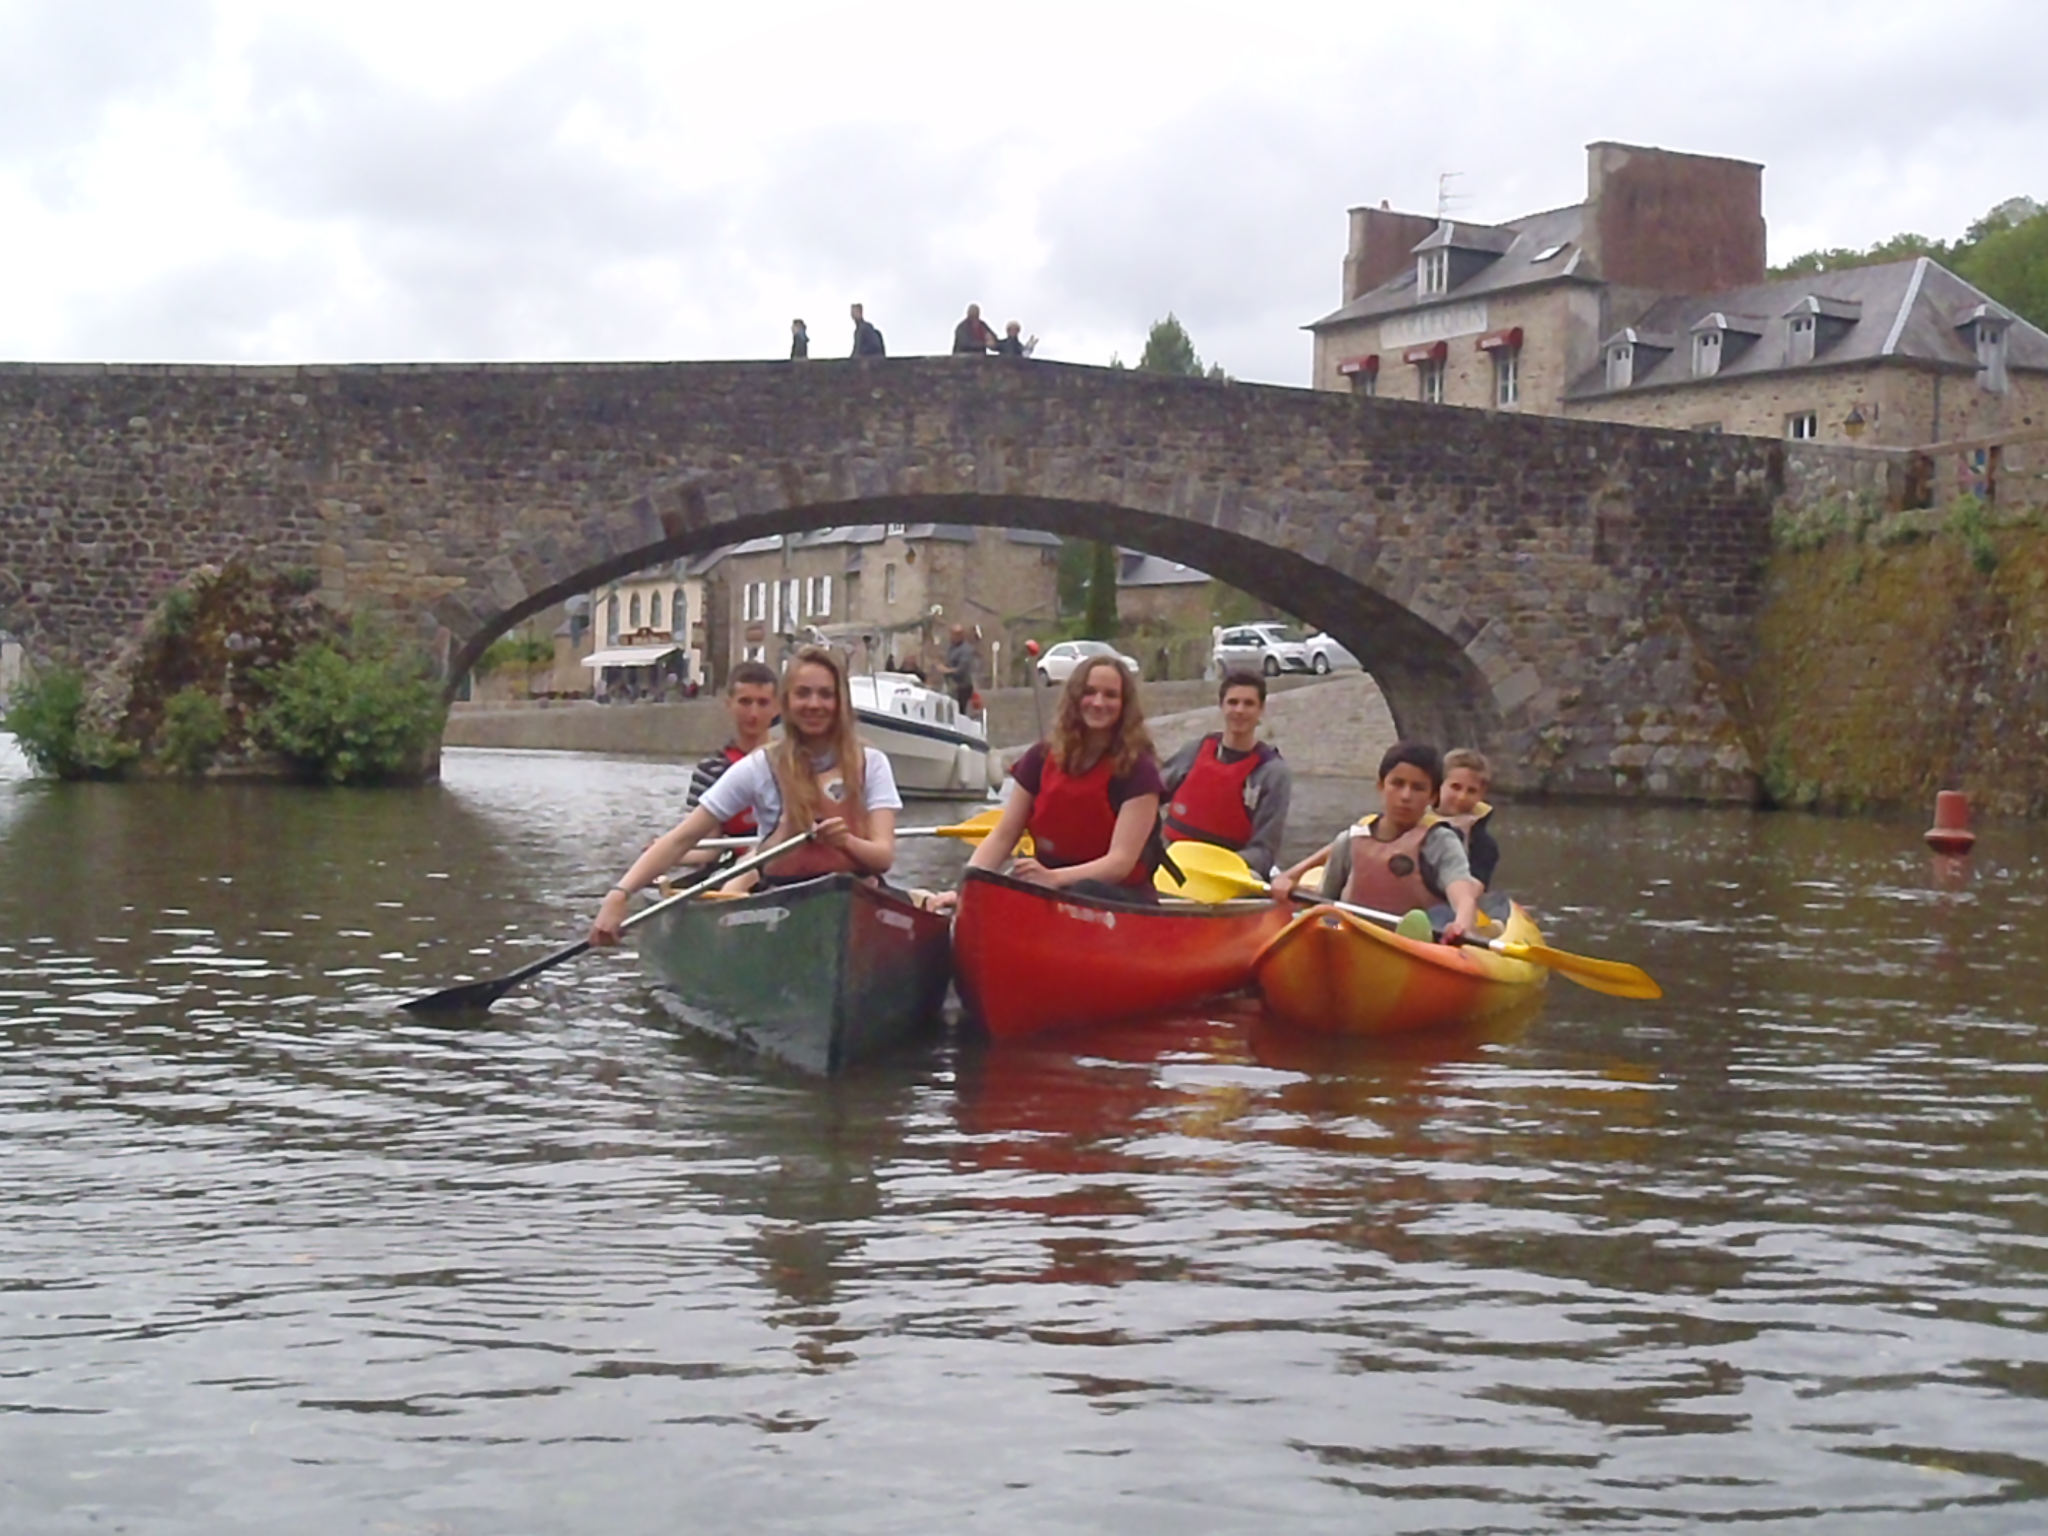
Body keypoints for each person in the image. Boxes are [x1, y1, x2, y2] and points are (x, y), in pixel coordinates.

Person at [589, 646, 900, 944]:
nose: (814, 704)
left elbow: (883, 857)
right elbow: (681, 839)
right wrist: (620, 894)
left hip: (856, 894)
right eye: (803, 693)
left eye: (825, 694)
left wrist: (846, 842)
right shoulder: (759, 766)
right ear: (788, 702)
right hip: (782, 901)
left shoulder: (871, 763)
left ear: (841, 701)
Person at [955, 656, 1164, 903]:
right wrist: (965, 888)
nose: (1098, 703)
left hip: (1115, 896)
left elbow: (1120, 862)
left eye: (1110, 695)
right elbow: (1003, 836)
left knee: (1083, 890)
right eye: (1089, 692)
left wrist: (1054, 878)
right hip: (1049, 886)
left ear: (1124, 705)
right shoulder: (1040, 757)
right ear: (1075, 699)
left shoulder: (1139, 770)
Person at [1270, 740, 1481, 944]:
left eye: (1418, 788)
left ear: (1433, 796)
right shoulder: (1351, 840)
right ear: (1381, 786)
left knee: (1435, 919)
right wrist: (1289, 889)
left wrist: (1461, 923)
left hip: (1414, 947)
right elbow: (1324, 901)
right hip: (1351, 936)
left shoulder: (1440, 842)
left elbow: (1462, 893)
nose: (1406, 796)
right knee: (1325, 921)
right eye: (1397, 784)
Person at [1159, 670, 1292, 878]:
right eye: (1233, 702)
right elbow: (1148, 796)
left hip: (1229, 873)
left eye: (1248, 704)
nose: (1239, 710)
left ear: (1261, 709)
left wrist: (1215, 867)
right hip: (1175, 863)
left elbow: (1264, 852)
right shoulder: (1194, 752)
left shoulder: (1272, 773)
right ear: (1221, 706)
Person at [674, 660, 780, 866]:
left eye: (763, 703)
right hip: (731, 867)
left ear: (777, 707)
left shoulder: (795, 762)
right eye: (745, 702)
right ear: (729, 704)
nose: (754, 713)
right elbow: (706, 850)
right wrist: (663, 854)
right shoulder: (711, 770)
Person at [1437, 747, 1500, 889]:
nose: (1462, 797)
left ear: (1481, 795)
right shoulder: (1411, 821)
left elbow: (1475, 888)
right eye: (1455, 787)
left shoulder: (1484, 845)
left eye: (1471, 791)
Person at [941, 623, 978, 711]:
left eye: (956, 634)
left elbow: (961, 670)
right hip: (951, 684)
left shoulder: (966, 650)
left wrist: (946, 670)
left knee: (959, 710)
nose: (953, 637)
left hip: (962, 687)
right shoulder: (951, 647)